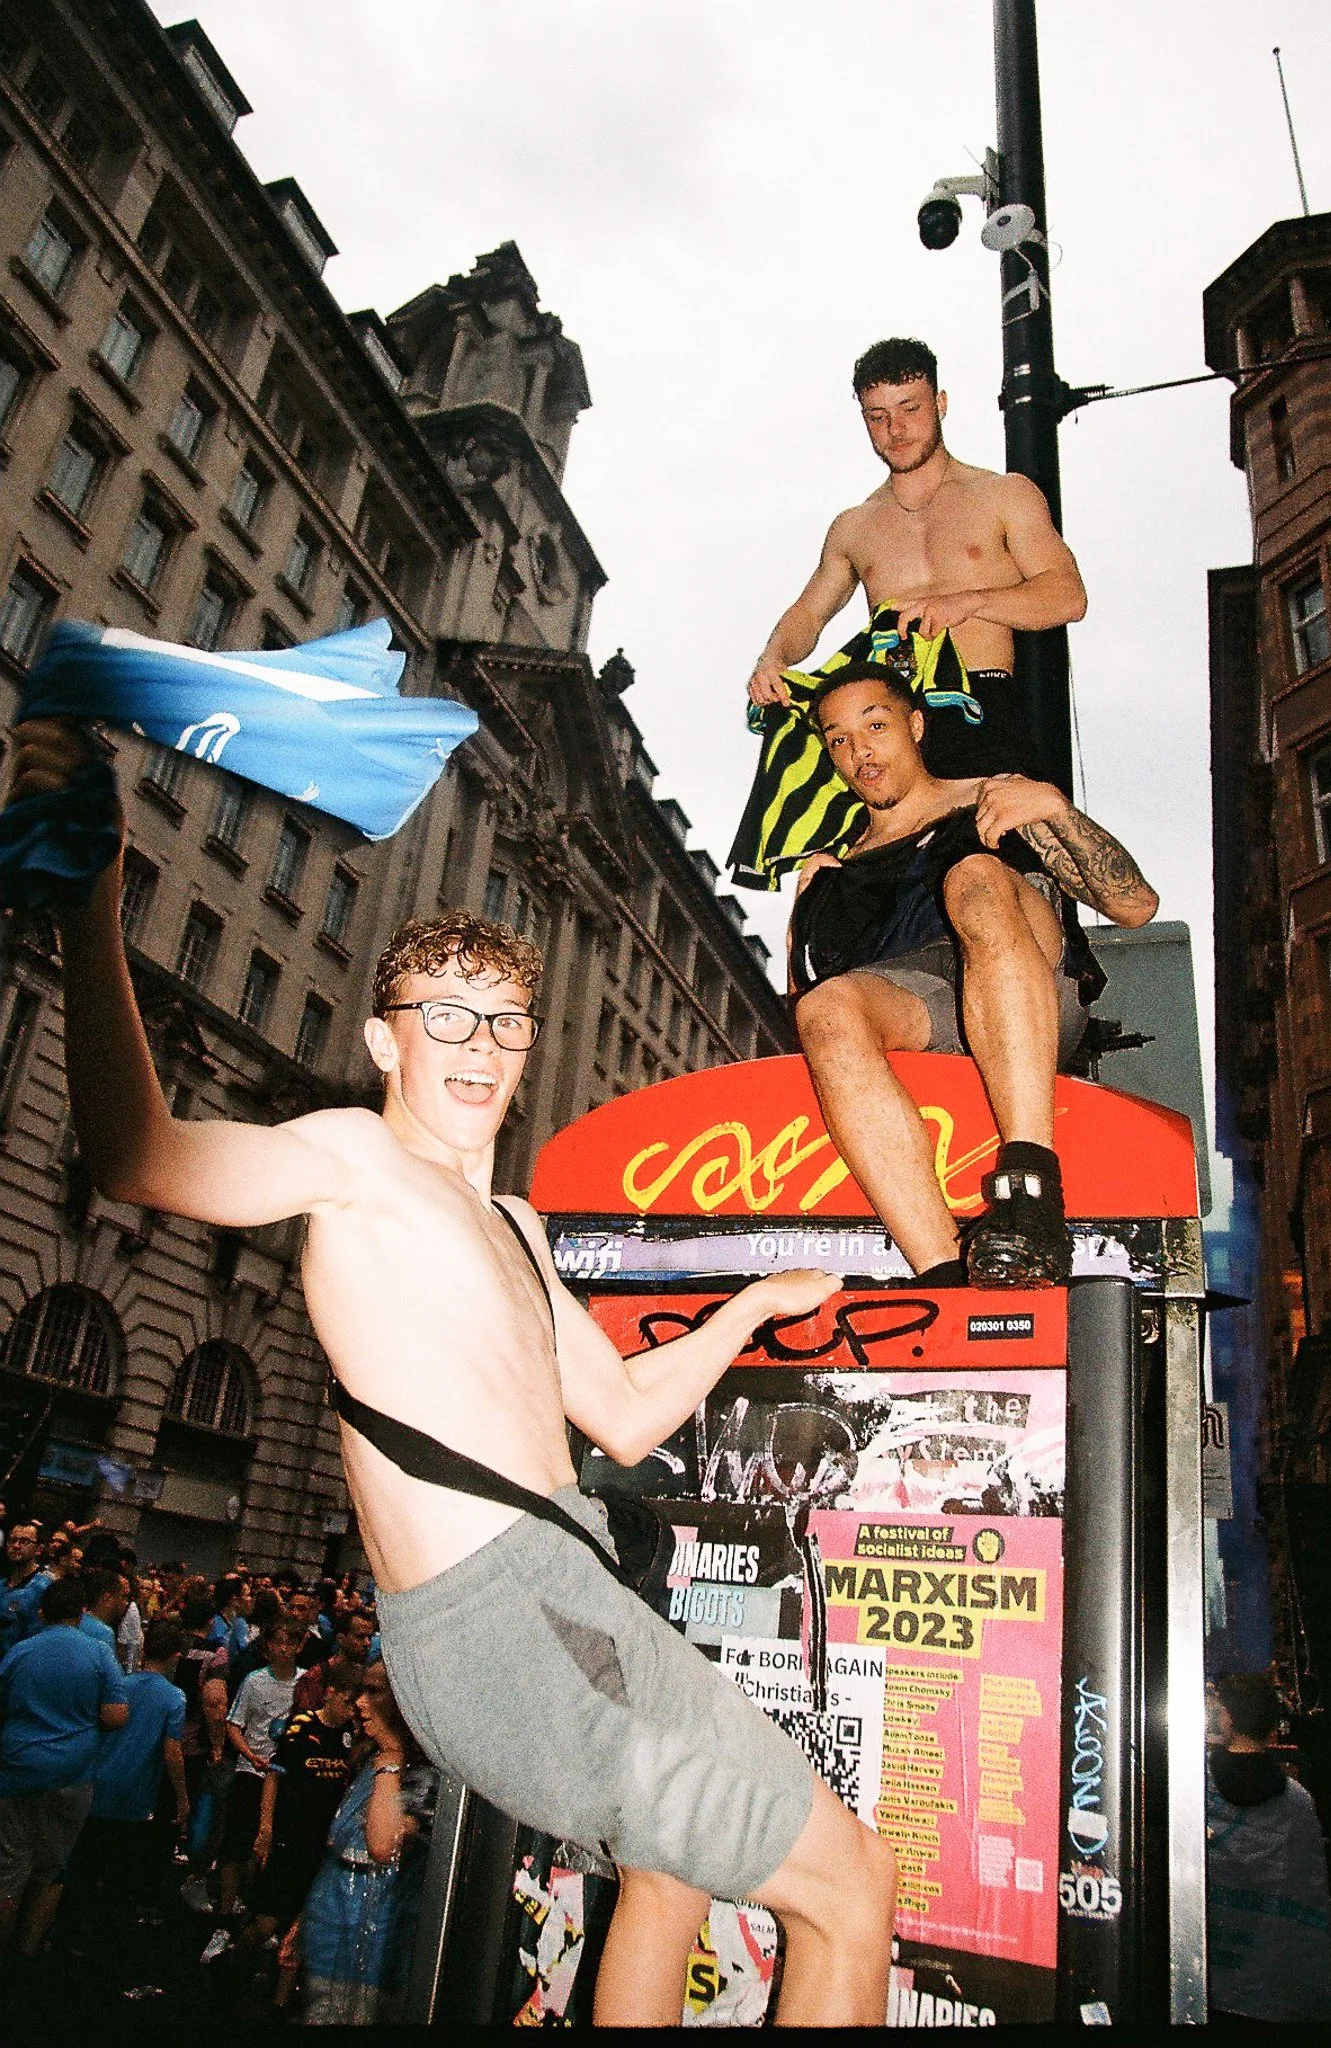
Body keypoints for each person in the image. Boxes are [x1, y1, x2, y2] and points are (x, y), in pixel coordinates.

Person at [10, 718, 897, 2028]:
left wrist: (748, 1309)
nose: (480, 1045)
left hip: (570, 1597)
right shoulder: (353, 1160)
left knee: (662, 1877)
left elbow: (628, 1412)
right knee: (855, 1885)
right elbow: (139, 1151)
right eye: (445, 1017)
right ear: (386, 1044)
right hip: (515, 1615)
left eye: (505, 1021)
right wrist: (92, 898)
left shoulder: (523, 1230)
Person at [788, 666, 1157, 1285]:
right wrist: (805, 916)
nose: (860, 752)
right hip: (920, 1007)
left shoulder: (995, 799)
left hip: (1025, 977)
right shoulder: (836, 868)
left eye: (874, 726)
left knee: (974, 877)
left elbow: (1135, 906)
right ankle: (940, 1270)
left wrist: (1057, 812)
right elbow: (808, 1019)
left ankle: (1031, 1186)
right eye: (840, 739)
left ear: (915, 725)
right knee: (824, 1010)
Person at [734, 336, 1088, 889]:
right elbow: (808, 613)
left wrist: (969, 602)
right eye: (878, 417)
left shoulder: (1003, 495)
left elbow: (1068, 596)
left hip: (983, 708)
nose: (896, 430)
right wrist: (771, 658)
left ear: (940, 403)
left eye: (910, 409)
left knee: (1002, 868)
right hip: (895, 718)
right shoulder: (855, 525)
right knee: (874, 885)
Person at [288, 1662, 438, 2025]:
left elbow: (384, 1845)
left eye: (375, 1692)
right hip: (330, 1936)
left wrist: (393, 1756)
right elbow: (339, 1848)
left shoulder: (427, 1774)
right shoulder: (367, 1760)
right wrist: (304, 1919)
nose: (359, 1703)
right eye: (361, 1691)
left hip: (378, 1957)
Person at [0, 1573, 128, 1959]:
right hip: (73, 1773)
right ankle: (29, 1951)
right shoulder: (99, 1652)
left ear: (41, 1611)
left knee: (9, 1867)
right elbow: (117, 1714)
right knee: (53, 1869)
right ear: (82, 1612)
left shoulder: (20, 1651)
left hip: (18, 1771)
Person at [1206, 1672, 1331, 2023]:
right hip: (1275, 1989)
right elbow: (1309, 1897)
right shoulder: (1298, 1803)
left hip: (1203, 1980)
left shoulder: (1195, 1788)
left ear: (1226, 1718)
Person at [59, 1617, 189, 1968]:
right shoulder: (174, 1697)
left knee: (83, 1866)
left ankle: (64, 1933)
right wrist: (182, 1797)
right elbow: (171, 1753)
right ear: (176, 1655)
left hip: (96, 1786)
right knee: (120, 1874)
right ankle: (104, 1945)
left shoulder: (120, 1684)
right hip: (135, 1798)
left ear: (145, 1648)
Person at [246, 1661, 358, 1950]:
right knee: (265, 1920)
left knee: (303, 1921)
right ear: (331, 1693)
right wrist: (265, 1827)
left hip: (324, 1841)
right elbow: (274, 1776)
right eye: (347, 1703)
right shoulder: (301, 1726)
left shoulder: (353, 1736)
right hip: (289, 1834)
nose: (351, 1711)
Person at [210, 1619, 305, 1941]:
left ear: (298, 1646)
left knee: (272, 1848)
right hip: (251, 1773)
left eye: (290, 1643)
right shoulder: (253, 1682)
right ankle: (223, 1915)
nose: (284, 1649)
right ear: (268, 1648)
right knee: (235, 1845)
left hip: (285, 1779)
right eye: (278, 1642)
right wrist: (250, 1756)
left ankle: (257, 1909)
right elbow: (234, 1724)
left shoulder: (306, 1684)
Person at [0, 1524, 51, 1655]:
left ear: (39, 1549)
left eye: (24, 1542)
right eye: (12, 1540)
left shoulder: (45, 1588)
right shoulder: (2, 1583)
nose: (16, 1546)